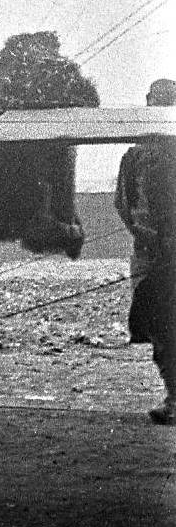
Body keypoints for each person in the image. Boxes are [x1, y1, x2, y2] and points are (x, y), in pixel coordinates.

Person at [0, 31, 100, 258]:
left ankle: (56, 224)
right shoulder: (58, 72)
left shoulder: (0, 76)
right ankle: (61, 226)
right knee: (56, 149)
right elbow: (90, 99)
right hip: (30, 184)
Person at [114, 77, 176, 425]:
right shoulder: (134, 157)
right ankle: (173, 395)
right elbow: (123, 203)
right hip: (148, 254)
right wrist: (144, 233)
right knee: (158, 326)